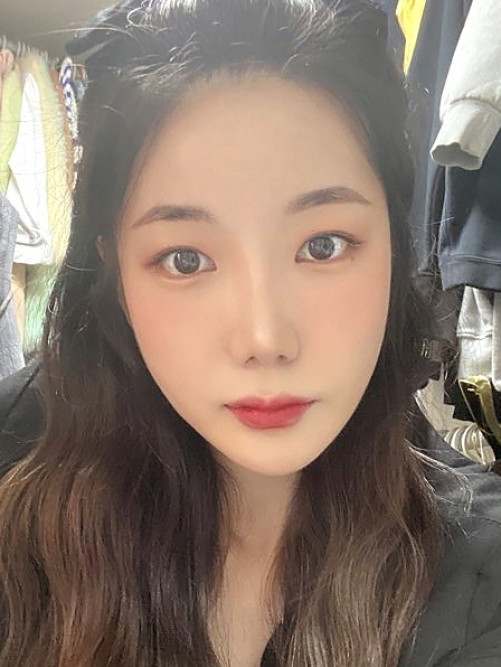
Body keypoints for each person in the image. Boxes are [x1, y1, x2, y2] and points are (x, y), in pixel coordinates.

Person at [0, 0, 501, 665]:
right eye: (185, 259)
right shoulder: (16, 483)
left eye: (322, 245)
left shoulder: (478, 579)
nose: (264, 339)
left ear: (394, 247)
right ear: (112, 272)